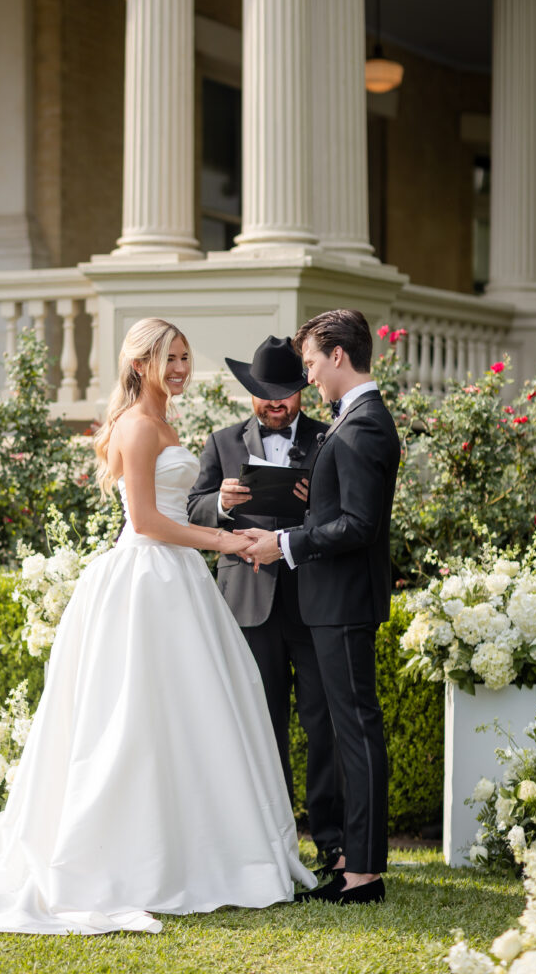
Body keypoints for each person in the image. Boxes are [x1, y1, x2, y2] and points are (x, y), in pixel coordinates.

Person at [0, 318, 316, 936]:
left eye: (185, 357)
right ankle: (127, 861)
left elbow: (176, 508)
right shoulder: (134, 425)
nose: (182, 369)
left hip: (178, 580)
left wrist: (216, 532)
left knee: (189, 717)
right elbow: (148, 521)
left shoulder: (166, 422)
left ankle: (197, 849)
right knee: (130, 720)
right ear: (140, 365)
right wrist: (223, 540)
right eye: (170, 358)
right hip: (144, 580)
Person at [242, 310, 400, 906]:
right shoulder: (355, 421)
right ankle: (356, 866)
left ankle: (363, 874)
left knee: (356, 732)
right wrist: (315, 502)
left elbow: (360, 525)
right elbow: (348, 509)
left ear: (338, 355)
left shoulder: (362, 426)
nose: (306, 374)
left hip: (340, 604)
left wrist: (286, 541)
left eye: (310, 362)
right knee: (349, 728)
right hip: (333, 602)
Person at [187, 335, 343, 872]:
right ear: (250, 391)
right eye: (265, 394)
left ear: (302, 390)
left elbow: (349, 518)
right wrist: (221, 504)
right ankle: (270, 845)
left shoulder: (329, 439)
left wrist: (316, 502)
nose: (276, 403)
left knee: (322, 723)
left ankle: (331, 842)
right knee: (259, 724)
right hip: (248, 603)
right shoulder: (222, 442)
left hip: (313, 599)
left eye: (287, 393)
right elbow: (190, 509)